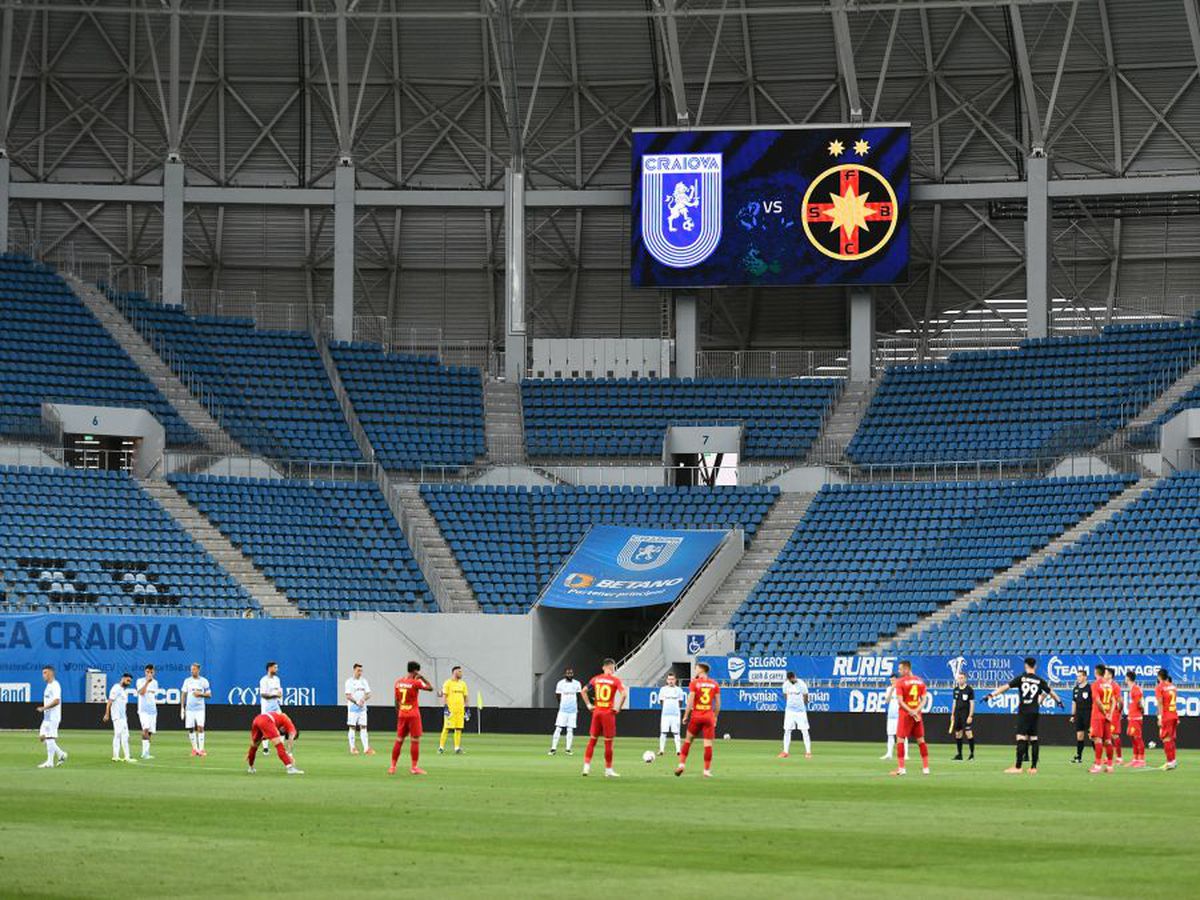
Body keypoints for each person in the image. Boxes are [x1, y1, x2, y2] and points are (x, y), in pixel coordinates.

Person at [987, 656, 1062, 775]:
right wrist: (1059, 701)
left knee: (1021, 738)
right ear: (1035, 666)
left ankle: (1018, 767)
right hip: (1035, 711)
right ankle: (1033, 767)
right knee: (1034, 738)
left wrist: (991, 695)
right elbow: (1050, 692)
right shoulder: (1039, 680)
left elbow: (1005, 688)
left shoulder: (1021, 678)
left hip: (1024, 711)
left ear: (1025, 665)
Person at [579, 658, 625, 778]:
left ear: (604, 667)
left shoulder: (596, 679)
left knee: (592, 740)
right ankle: (608, 770)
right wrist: (618, 707)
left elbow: (583, 691)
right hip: (608, 713)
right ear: (612, 667)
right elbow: (624, 694)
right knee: (608, 743)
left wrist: (589, 705)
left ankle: (586, 767)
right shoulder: (615, 680)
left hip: (597, 712)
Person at [676, 661, 721, 778]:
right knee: (708, 745)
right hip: (708, 716)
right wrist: (715, 717)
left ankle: (681, 764)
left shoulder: (694, 683)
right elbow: (718, 704)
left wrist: (686, 715)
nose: (695, 669)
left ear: (701, 669)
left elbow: (690, 701)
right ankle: (706, 770)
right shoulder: (714, 684)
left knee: (687, 741)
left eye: (696, 668)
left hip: (696, 716)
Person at [390, 661, 433, 776]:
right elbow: (430, 688)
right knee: (415, 740)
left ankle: (392, 767)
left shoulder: (398, 682)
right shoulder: (415, 682)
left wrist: (399, 713)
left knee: (399, 740)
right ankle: (414, 767)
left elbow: (396, 700)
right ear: (415, 671)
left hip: (402, 714)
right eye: (418, 671)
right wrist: (422, 678)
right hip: (413, 714)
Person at [891, 660, 929, 776]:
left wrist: (910, 711)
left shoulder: (900, 682)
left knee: (900, 740)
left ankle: (902, 768)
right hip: (917, 715)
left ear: (907, 669)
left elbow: (900, 701)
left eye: (900, 669)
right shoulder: (920, 681)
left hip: (905, 714)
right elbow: (924, 700)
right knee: (921, 740)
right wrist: (916, 710)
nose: (899, 671)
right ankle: (926, 768)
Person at [246, 710, 303, 775]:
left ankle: (251, 768)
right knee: (279, 745)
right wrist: (290, 754)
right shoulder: (290, 724)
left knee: (254, 746)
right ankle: (290, 768)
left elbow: (266, 735)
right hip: (267, 720)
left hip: (257, 719)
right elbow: (291, 739)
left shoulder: (279, 722)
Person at [1089, 664, 1119, 773]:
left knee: (1097, 739)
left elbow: (1097, 701)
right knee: (1108, 740)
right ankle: (1110, 766)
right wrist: (1110, 714)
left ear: (1096, 672)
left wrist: (1104, 712)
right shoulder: (1108, 685)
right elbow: (1113, 701)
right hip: (1107, 716)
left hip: (1098, 715)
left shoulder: (1095, 685)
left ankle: (1097, 765)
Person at [36, 666, 67, 769]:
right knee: (42, 737)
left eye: (45, 673)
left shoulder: (55, 685)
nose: (43, 675)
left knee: (49, 737)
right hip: (47, 717)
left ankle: (50, 762)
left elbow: (57, 701)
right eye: (43, 673)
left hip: (53, 716)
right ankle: (61, 753)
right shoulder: (48, 686)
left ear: (51, 673)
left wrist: (44, 708)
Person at [180, 663, 211, 758]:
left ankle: (201, 750)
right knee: (190, 728)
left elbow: (209, 695)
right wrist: (182, 707)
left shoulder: (204, 681)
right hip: (189, 709)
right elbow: (183, 694)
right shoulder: (187, 681)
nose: (192, 671)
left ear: (198, 670)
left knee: (200, 727)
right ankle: (195, 749)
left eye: (194, 669)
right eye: (191, 669)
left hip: (200, 709)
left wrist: (200, 694)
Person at [778, 671, 811, 759]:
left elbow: (805, 695)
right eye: (792, 678)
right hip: (790, 711)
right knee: (787, 730)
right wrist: (790, 704)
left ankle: (808, 752)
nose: (794, 679)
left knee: (804, 731)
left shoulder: (801, 684)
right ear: (789, 679)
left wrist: (804, 704)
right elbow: (785, 695)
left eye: (794, 677)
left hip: (800, 711)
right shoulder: (785, 685)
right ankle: (785, 752)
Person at [548, 668, 581, 755]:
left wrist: (575, 706)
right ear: (565, 674)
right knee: (558, 728)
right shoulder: (560, 683)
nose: (569, 674)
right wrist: (562, 705)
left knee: (570, 729)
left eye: (571, 673)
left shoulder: (577, 683)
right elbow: (558, 696)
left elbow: (578, 696)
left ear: (573, 674)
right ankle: (553, 748)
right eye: (568, 673)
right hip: (563, 710)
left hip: (573, 710)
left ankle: (568, 749)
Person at [104, 672, 134, 762]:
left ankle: (126, 756)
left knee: (125, 736)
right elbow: (109, 701)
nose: (129, 683)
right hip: (117, 717)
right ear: (123, 678)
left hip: (123, 717)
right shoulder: (116, 688)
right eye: (128, 680)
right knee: (118, 735)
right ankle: (116, 756)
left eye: (130, 681)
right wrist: (107, 714)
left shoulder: (124, 691)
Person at [439, 665, 469, 755]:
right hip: (450, 710)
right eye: (459, 671)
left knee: (459, 728)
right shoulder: (448, 683)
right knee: (447, 728)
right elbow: (444, 695)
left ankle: (457, 748)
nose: (461, 673)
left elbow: (466, 697)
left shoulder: (463, 684)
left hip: (460, 710)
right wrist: (445, 707)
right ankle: (441, 747)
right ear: (454, 672)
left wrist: (467, 709)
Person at [345, 663, 373, 756]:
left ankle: (366, 748)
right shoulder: (349, 682)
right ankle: (352, 748)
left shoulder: (364, 681)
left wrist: (363, 700)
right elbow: (348, 696)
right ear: (354, 670)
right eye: (358, 670)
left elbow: (368, 693)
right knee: (352, 727)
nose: (360, 672)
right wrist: (356, 702)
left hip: (362, 708)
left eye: (361, 670)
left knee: (364, 727)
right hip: (353, 708)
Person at [1155, 668, 1179, 771]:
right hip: (1173, 714)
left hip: (1167, 716)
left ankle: (1169, 762)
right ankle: (1173, 761)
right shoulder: (1173, 687)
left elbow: (1160, 702)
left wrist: (1160, 717)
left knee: (1165, 738)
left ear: (1159, 677)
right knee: (1171, 739)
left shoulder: (1159, 687)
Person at [949, 672, 975, 761]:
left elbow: (972, 703)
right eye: (959, 678)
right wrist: (952, 714)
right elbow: (954, 703)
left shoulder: (969, 690)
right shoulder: (955, 689)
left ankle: (972, 754)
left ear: (965, 679)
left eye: (962, 678)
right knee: (958, 734)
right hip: (957, 715)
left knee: (968, 733)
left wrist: (970, 716)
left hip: (966, 715)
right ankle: (959, 754)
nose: (960, 680)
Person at [657, 673, 684, 757]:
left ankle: (678, 751)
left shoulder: (679, 690)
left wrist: (676, 709)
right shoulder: (663, 689)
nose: (671, 681)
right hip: (665, 714)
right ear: (667, 680)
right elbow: (661, 701)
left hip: (675, 714)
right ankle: (661, 750)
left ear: (675, 680)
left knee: (676, 732)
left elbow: (680, 702)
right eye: (669, 679)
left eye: (672, 679)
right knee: (663, 732)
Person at [136, 664, 159, 760]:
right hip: (143, 710)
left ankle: (147, 752)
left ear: (154, 672)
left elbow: (154, 695)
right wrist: (147, 682)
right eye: (147, 672)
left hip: (152, 711)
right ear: (145, 672)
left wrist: (150, 682)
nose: (149, 673)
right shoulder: (140, 681)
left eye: (151, 672)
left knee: (150, 732)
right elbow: (141, 692)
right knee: (145, 728)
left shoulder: (155, 682)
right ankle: (144, 753)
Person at [1123, 672, 1146, 768]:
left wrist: (1141, 711)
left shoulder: (1135, 689)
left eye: (1125, 677)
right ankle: (1135, 758)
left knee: (1137, 737)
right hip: (1132, 716)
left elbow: (1139, 703)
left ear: (1128, 678)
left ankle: (1141, 759)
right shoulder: (1132, 689)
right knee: (1132, 737)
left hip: (1136, 717)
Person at [1069, 669, 1092, 764]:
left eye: (1080, 676)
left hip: (1088, 713)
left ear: (1085, 677)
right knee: (1079, 736)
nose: (1078, 678)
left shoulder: (1090, 688)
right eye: (1077, 676)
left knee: (1092, 736)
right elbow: (1074, 702)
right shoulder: (1075, 689)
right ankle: (1078, 757)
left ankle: (1098, 758)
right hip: (1079, 714)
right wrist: (1073, 715)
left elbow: (1094, 702)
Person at [880, 675, 899, 760]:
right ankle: (889, 754)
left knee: (902, 735)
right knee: (890, 734)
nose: (892, 682)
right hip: (891, 715)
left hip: (900, 714)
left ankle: (905, 755)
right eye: (891, 680)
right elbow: (887, 701)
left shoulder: (902, 688)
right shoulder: (888, 689)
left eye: (894, 680)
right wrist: (892, 689)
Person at [1109, 667, 1124, 766]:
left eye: (1105, 673)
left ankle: (1119, 757)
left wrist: (1119, 712)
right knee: (1106, 735)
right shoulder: (1104, 685)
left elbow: (1120, 701)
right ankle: (1108, 757)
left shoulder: (1115, 686)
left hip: (1114, 713)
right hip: (1106, 712)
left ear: (1110, 675)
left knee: (1114, 735)